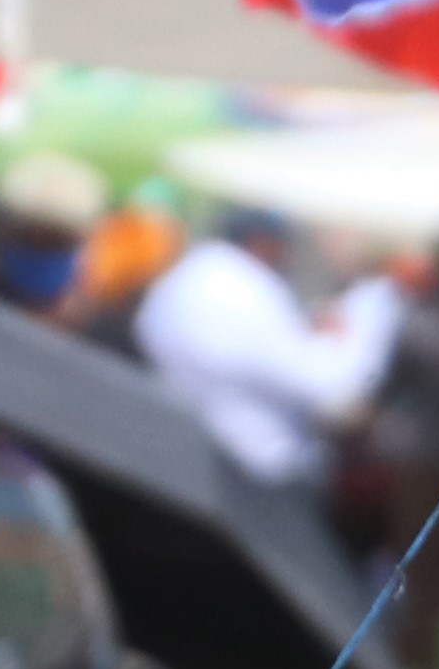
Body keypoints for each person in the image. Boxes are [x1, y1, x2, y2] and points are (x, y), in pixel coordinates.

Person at [133, 208, 405, 487]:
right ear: (264, 243)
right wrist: (367, 317)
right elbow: (332, 385)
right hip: (257, 469)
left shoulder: (186, 276)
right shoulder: (244, 289)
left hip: (194, 450)